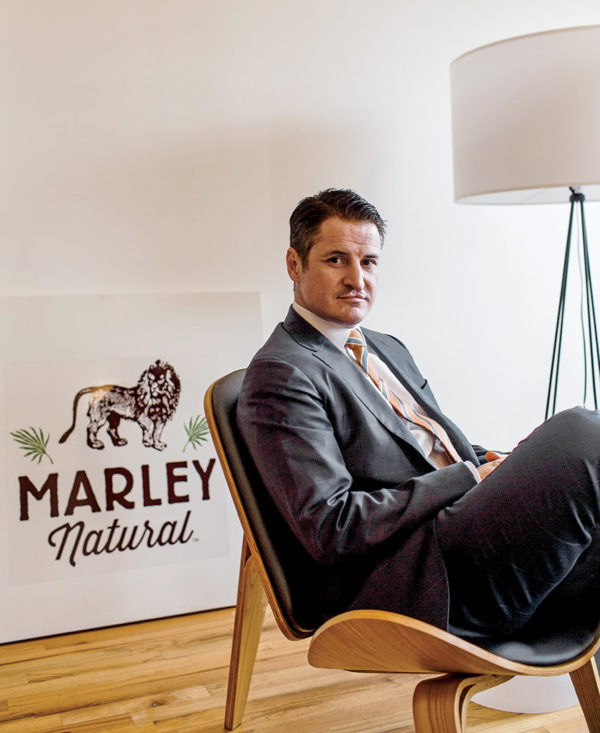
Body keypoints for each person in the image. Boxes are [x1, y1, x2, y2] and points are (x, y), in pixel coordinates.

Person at [237, 188, 600, 641]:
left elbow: (436, 448)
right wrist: (470, 478)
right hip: (429, 578)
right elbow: (332, 528)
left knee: (574, 452)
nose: (356, 279)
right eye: (336, 260)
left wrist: (507, 465)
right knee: (581, 431)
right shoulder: (282, 373)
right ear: (295, 264)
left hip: (466, 531)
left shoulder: (385, 347)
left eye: (368, 262)